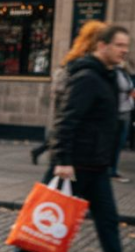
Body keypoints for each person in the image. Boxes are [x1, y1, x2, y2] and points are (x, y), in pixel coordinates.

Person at [7, 25, 135, 252]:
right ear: (102, 46)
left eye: (126, 45)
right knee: (43, 213)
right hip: (74, 166)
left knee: (108, 222)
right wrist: (62, 160)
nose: (125, 50)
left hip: (96, 165)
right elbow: (66, 120)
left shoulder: (109, 76)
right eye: (119, 45)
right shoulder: (88, 77)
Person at [31, 21, 106, 165]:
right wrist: (63, 158)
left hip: (90, 151)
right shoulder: (81, 69)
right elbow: (67, 115)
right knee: (56, 182)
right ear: (99, 44)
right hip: (76, 147)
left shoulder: (103, 71)